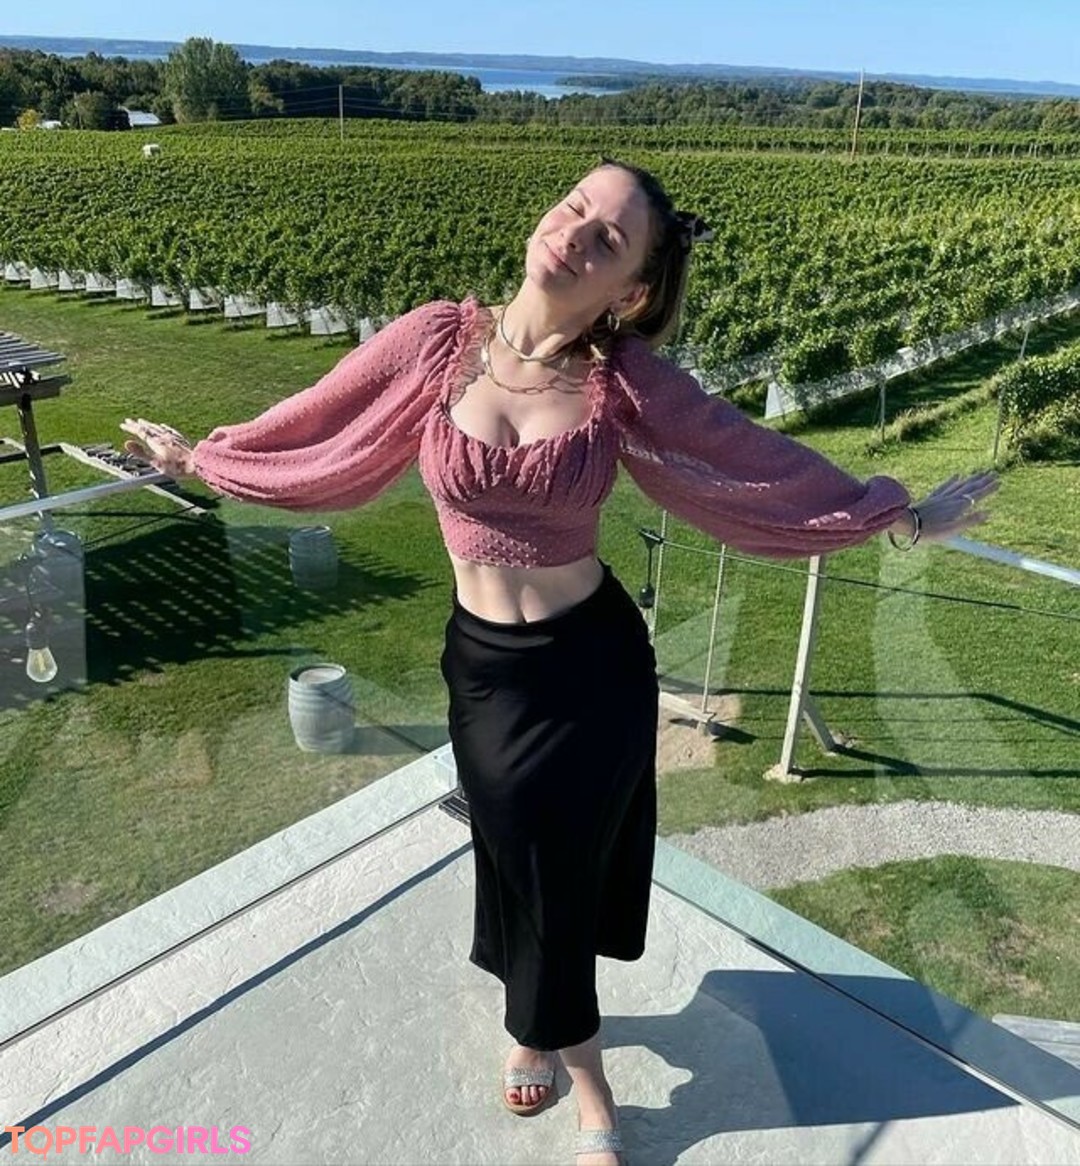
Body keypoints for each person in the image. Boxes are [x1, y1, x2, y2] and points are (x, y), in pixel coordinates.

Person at [122, 159, 998, 1165]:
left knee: (556, 871)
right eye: (577, 207)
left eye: (608, 238)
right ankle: (543, 1024)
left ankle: (583, 1080)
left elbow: (753, 459)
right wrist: (205, 458)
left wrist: (897, 515)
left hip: (594, 669)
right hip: (486, 672)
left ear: (630, 288)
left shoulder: (624, 383)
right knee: (520, 859)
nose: (576, 233)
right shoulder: (435, 341)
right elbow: (319, 417)